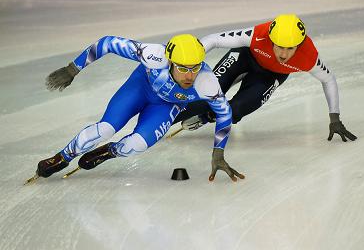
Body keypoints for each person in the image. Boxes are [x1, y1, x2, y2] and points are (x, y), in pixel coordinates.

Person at [28, 34, 244, 183]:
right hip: (140, 87)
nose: (190, 75)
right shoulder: (152, 54)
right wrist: (72, 68)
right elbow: (107, 43)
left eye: (195, 68)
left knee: (137, 145)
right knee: (105, 129)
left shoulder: (206, 82)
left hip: (166, 105)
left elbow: (224, 114)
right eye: (183, 68)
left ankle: (109, 151)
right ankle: (63, 157)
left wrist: (218, 153)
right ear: (169, 61)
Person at [175, 14, 357, 142]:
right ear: (270, 39)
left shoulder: (308, 57)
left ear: (299, 46)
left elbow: (329, 79)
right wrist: (189, 61)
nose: (284, 54)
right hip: (246, 57)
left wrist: (335, 118)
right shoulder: (257, 35)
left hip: (271, 75)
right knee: (205, 94)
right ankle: (160, 116)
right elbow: (214, 40)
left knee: (236, 109)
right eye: (279, 46)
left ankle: (207, 116)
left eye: (290, 48)